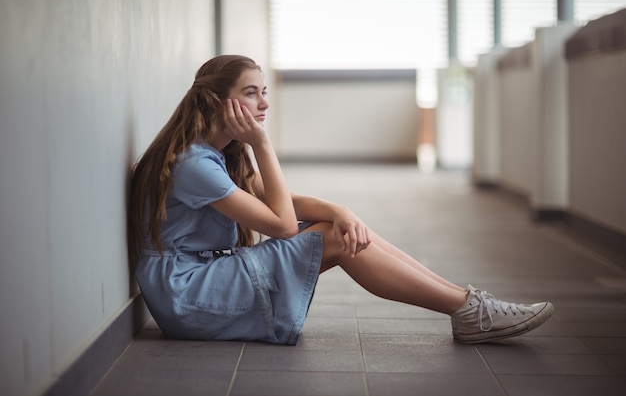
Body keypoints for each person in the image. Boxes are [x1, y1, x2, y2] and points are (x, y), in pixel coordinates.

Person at [128, 54, 554, 345]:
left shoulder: (219, 155)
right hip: (185, 293)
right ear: (221, 102)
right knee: (332, 238)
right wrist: (262, 142)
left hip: (200, 277)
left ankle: (467, 304)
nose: (264, 103)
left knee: (341, 228)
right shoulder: (195, 164)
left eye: (264, 91)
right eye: (252, 93)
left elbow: (281, 201)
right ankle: (467, 310)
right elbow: (277, 224)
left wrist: (341, 210)